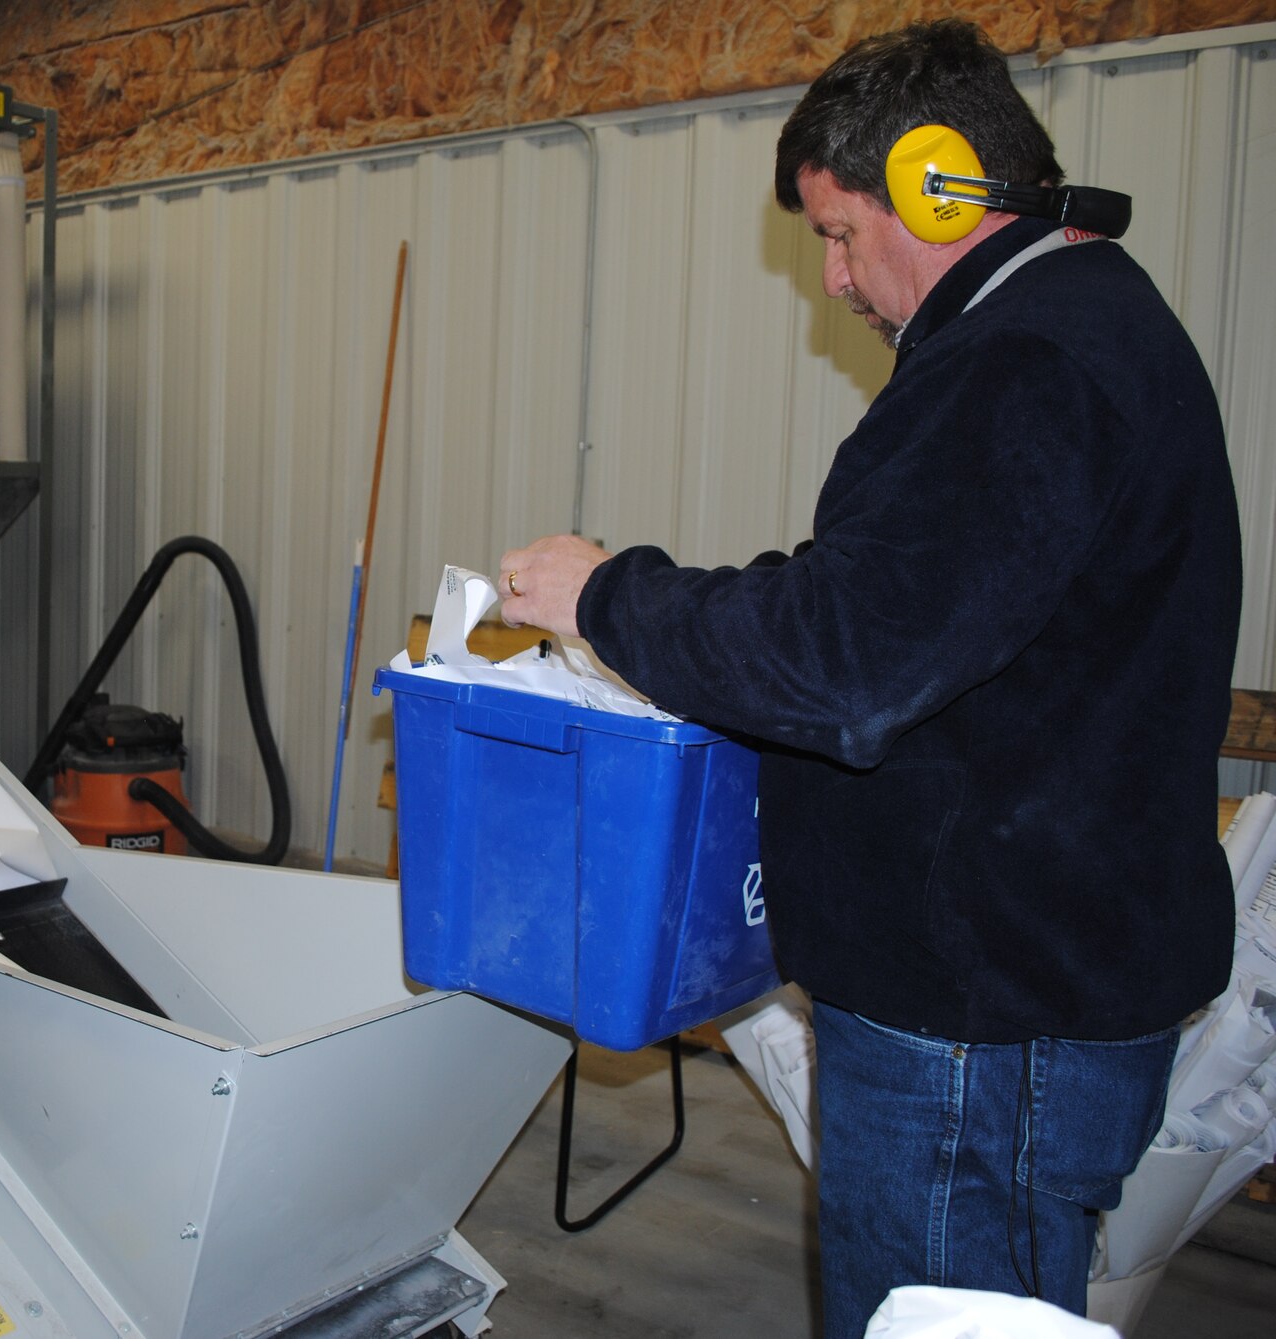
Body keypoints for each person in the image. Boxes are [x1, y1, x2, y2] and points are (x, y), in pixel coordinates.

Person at [496, 19, 1239, 1335]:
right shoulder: (1079, 324)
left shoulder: (1027, 365)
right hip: (1029, 983)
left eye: (841, 235)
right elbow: (906, 615)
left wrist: (609, 593)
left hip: (981, 1018)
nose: (835, 281)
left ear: (944, 188)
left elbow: (851, 656)